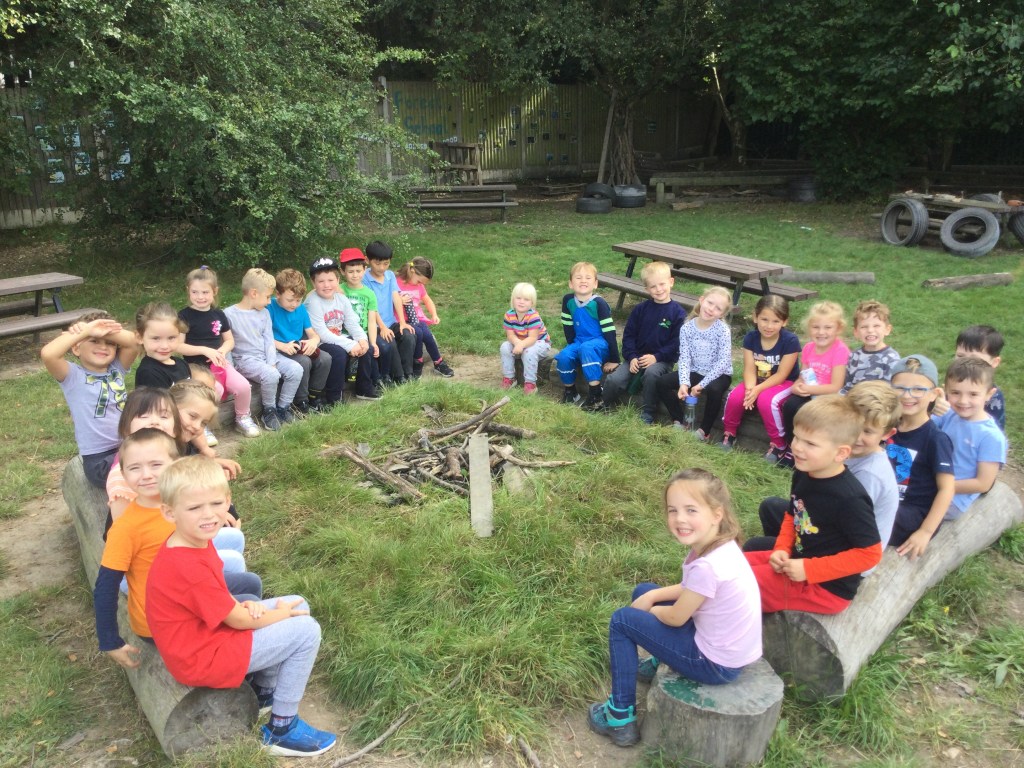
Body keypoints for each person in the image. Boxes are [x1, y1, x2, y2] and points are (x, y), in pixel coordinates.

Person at [146, 456, 336, 757]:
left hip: (205, 636)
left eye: (216, 503)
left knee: (299, 603)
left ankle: (264, 692)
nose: (208, 515)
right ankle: (282, 729)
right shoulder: (187, 564)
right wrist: (275, 614)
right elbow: (238, 621)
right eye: (194, 508)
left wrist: (244, 605)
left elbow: (215, 599)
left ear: (228, 500)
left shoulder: (193, 538)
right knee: (306, 630)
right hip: (200, 657)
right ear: (169, 512)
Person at [588, 468, 761, 748]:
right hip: (725, 650)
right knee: (645, 590)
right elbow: (690, 589)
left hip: (713, 664)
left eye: (691, 510)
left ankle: (619, 716)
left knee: (622, 621)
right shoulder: (720, 546)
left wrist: (649, 609)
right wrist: (651, 596)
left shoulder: (708, 565)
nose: (680, 518)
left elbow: (677, 617)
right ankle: (659, 659)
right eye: (673, 510)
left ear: (716, 514)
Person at [94, 429, 260, 671]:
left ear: (175, 465)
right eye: (134, 468)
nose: (146, 475)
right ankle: (243, 670)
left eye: (155, 465)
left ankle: (249, 660)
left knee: (250, 584)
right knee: (250, 606)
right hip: (163, 621)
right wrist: (110, 641)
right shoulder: (126, 528)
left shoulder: (183, 504)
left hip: (190, 593)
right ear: (123, 473)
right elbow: (106, 586)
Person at [743, 396, 882, 614]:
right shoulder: (804, 472)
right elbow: (793, 515)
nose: (797, 447)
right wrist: (781, 548)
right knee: (730, 563)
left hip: (825, 588)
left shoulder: (850, 498)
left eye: (810, 443)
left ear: (841, 453)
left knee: (737, 584)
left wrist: (810, 569)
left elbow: (870, 554)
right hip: (796, 560)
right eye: (796, 437)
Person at [746, 381, 901, 553]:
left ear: (887, 433)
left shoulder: (869, 474)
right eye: (854, 427)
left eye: (867, 431)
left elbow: (847, 526)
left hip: (845, 549)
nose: (857, 436)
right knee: (770, 507)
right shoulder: (845, 450)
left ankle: (791, 556)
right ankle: (783, 551)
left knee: (754, 547)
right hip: (825, 523)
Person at [41, 311, 138, 488]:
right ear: (76, 348)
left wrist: (102, 329)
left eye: (110, 343)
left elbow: (134, 342)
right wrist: (86, 331)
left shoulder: (117, 368)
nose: (103, 347)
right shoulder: (73, 376)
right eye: (94, 340)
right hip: (99, 459)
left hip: (128, 445)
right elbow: (49, 354)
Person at [177, 265, 261, 440]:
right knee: (215, 389)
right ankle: (202, 426)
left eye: (205, 292)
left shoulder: (218, 314)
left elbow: (229, 340)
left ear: (214, 291)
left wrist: (222, 350)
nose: (200, 297)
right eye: (195, 292)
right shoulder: (184, 316)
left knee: (243, 386)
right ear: (188, 291)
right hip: (195, 367)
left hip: (219, 362)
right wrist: (204, 350)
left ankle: (243, 418)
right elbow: (178, 346)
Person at [885, 355, 955, 560]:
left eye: (918, 389)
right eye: (900, 388)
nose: (907, 396)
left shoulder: (936, 439)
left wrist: (925, 532)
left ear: (934, 394)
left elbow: (947, 488)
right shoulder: (886, 425)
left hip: (910, 513)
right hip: (884, 498)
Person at [600, 262, 686, 424]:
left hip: (662, 361)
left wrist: (656, 357)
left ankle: (648, 412)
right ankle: (604, 403)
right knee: (614, 379)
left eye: (662, 284)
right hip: (636, 358)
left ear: (671, 282)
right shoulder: (640, 309)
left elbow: (677, 343)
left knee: (651, 374)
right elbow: (629, 336)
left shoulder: (678, 313)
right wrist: (632, 356)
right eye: (653, 286)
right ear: (647, 289)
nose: (659, 289)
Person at [225, 268, 304, 432]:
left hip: (267, 356)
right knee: (271, 374)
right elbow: (227, 344)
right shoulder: (229, 315)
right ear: (254, 293)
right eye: (267, 297)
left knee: (296, 369)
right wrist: (230, 371)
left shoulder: (264, 313)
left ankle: (283, 407)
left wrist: (272, 362)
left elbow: (268, 340)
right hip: (245, 360)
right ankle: (269, 410)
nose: (269, 302)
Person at [720, 295, 799, 457]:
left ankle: (779, 444)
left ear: (784, 322)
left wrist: (758, 390)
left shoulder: (790, 341)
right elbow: (749, 369)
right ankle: (729, 432)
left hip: (784, 382)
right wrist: (750, 389)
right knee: (735, 396)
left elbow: (782, 374)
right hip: (756, 380)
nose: (769, 326)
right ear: (755, 317)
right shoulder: (751, 338)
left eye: (776, 321)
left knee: (766, 400)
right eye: (764, 319)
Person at [932, 356, 1006, 519]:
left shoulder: (991, 437)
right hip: (933, 480)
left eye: (973, 394)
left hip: (953, 498)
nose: (963, 401)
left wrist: (940, 487)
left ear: (989, 394)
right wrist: (932, 406)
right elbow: (922, 428)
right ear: (946, 391)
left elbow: (983, 483)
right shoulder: (949, 414)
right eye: (955, 393)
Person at [777, 301, 850, 467]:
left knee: (810, 414)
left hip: (829, 397)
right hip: (810, 391)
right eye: (816, 327)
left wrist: (809, 389)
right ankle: (792, 446)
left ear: (838, 328)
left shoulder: (840, 350)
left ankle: (812, 451)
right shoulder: (809, 348)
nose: (821, 332)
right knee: (790, 406)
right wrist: (796, 386)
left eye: (828, 327)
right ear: (809, 328)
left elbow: (836, 386)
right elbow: (803, 375)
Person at [656, 285, 733, 440]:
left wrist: (702, 384)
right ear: (702, 300)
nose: (711, 309)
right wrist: (684, 383)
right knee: (662, 382)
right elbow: (685, 357)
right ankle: (678, 420)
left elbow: (723, 361)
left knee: (714, 390)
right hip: (695, 371)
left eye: (718, 308)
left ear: (722, 314)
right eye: (710, 303)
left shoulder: (723, 330)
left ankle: (704, 431)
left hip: (719, 374)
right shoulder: (687, 328)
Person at [304, 255, 367, 407]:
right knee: (338, 353)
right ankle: (334, 397)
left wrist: (362, 339)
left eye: (331, 280)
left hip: (336, 337)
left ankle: (364, 388)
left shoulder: (341, 299)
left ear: (338, 280)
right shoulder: (313, 302)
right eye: (321, 281)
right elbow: (321, 333)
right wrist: (349, 345)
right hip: (318, 342)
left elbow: (351, 322)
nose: (326, 285)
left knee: (365, 347)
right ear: (313, 282)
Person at [554, 261, 619, 409]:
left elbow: (609, 331)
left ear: (595, 283)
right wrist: (572, 348)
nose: (583, 281)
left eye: (588, 278)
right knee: (564, 356)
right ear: (571, 283)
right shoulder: (568, 301)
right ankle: (571, 392)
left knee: (587, 349)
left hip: (599, 343)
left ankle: (596, 395)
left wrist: (614, 358)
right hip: (579, 342)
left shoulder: (599, 304)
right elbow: (567, 326)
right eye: (578, 278)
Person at [268, 268, 332, 415]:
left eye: (298, 300)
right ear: (278, 294)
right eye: (290, 300)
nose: (294, 304)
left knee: (325, 358)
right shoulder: (270, 307)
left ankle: (314, 397)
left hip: (297, 347)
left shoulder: (301, 309)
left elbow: (312, 333)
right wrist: (282, 346)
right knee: (304, 361)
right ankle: (300, 401)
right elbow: (263, 337)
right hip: (279, 350)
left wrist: (313, 341)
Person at [932, 325, 1006, 431]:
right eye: (960, 356)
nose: (965, 363)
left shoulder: (994, 397)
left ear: (995, 362)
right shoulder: (953, 383)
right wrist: (932, 406)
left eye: (975, 359)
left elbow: (993, 431)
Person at [363, 240, 415, 385]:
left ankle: (408, 372)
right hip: (375, 324)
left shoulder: (390, 275)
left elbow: (395, 297)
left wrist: (402, 323)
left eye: (386, 263)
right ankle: (399, 377)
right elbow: (371, 307)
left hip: (391, 322)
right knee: (389, 341)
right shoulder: (364, 278)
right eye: (377, 263)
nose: (382, 268)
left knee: (408, 336)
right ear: (367, 260)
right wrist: (382, 327)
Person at [339, 247, 387, 400]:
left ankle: (364, 388)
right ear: (342, 272)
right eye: (350, 271)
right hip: (343, 334)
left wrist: (373, 342)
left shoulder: (369, 294)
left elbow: (372, 321)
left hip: (362, 334)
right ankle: (340, 389)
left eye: (358, 271)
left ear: (365, 270)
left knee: (368, 351)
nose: (355, 275)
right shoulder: (339, 290)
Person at [396, 257, 455, 378]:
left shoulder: (419, 286)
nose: (420, 284)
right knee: (418, 333)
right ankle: (418, 362)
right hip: (402, 319)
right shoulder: (396, 283)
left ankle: (438, 362)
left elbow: (427, 300)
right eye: (419, 281)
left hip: (417, 318)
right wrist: (399, 300)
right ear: (412, 271)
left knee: (427, 335)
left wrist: (434, 314)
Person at [499, 282, 552, 396]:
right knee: (505, 346)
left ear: (532, 303)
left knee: (529, 351)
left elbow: (532, 338)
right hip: (520, 341)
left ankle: (530, 383)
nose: (521, 301)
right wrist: (518, 343)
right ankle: (509, 378)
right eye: (518, 298)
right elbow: (510, 335)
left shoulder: (533, 316)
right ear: (513, 299)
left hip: (540, 343)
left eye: (526, 299)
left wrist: (521, 345)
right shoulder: (509, 315)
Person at [840, 300, 900, 394]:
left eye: (876, 326)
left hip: (878, 401)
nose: (870, 330)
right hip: (853, 400)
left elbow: (891, 392)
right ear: (856, 332)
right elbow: (847, 386)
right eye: (864, 327)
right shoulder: (854, 356)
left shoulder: (891, 359)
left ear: (887, 329)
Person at [133, 302, 192, 390]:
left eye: (171, 338)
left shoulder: (181, 363)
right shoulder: (149, 373)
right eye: (156, 338)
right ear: (140, 337)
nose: (165, 346)